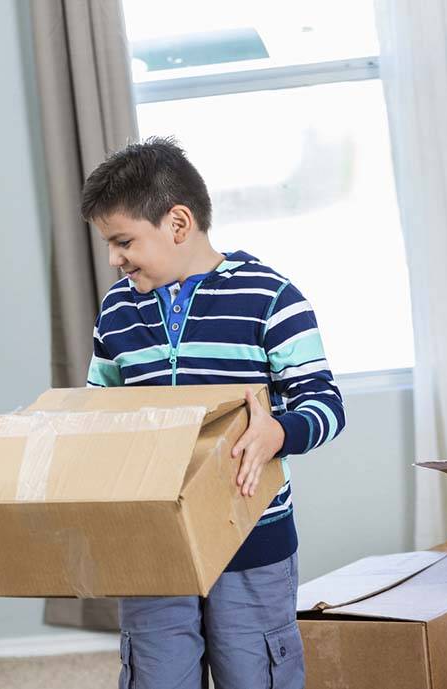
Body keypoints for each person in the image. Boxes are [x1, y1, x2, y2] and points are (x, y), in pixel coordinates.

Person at [82, 137, 346, 689]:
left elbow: (324, 403)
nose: (114, 258)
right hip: (150, 541)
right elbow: (98, 414)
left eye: (124, 241)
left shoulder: (271, 298)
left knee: (255, 676)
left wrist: (278, 431)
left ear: (178, 223)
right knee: (156, 676)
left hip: (252, 536)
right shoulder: (118, 311)